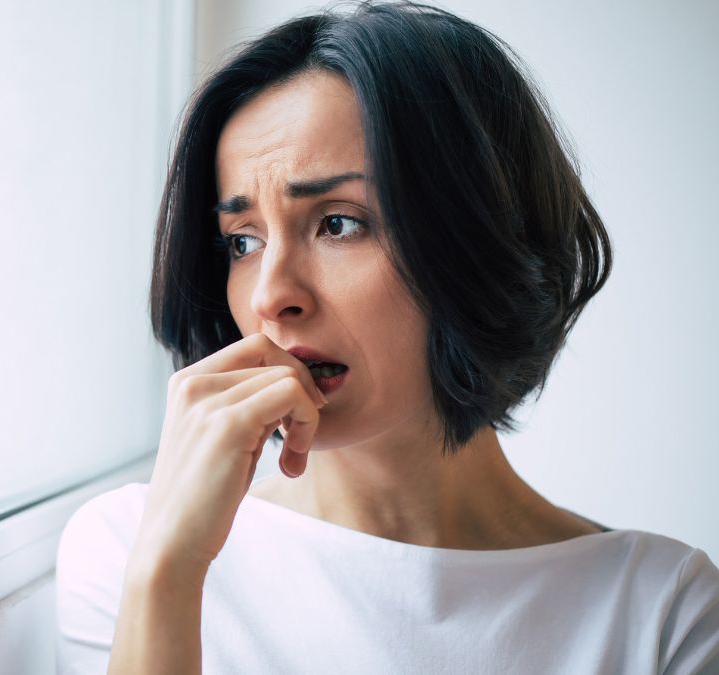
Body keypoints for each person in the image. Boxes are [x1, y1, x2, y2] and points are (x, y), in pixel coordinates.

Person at [54, 2, 719, 673]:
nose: (269, 296)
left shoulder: (664, 612)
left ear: (475, 238)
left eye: (338, 224)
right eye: (243, 240)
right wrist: (168, 571)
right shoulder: (132, 551)